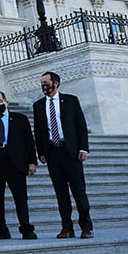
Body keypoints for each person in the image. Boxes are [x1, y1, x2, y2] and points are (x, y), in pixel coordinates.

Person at [33, 71, 93, 239]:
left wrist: (83, 148)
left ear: (56, 83)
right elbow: (38, 131)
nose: (44, 85)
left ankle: (86, 227)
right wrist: (41, 152)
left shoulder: (71, 100)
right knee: (61, 193)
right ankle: (67, 227)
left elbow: (80, 125)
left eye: (46, 82)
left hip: (71, 152)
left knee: (79, 191)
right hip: (53, 153)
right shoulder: (38, 105)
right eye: (42, 83)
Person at [0, 90, 37, 240]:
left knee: (20, 197)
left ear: (6, 102)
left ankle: (26, 228)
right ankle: (1, 228)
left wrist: (32, 162)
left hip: (15, 161)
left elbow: (29, 142)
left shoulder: (20, 119)